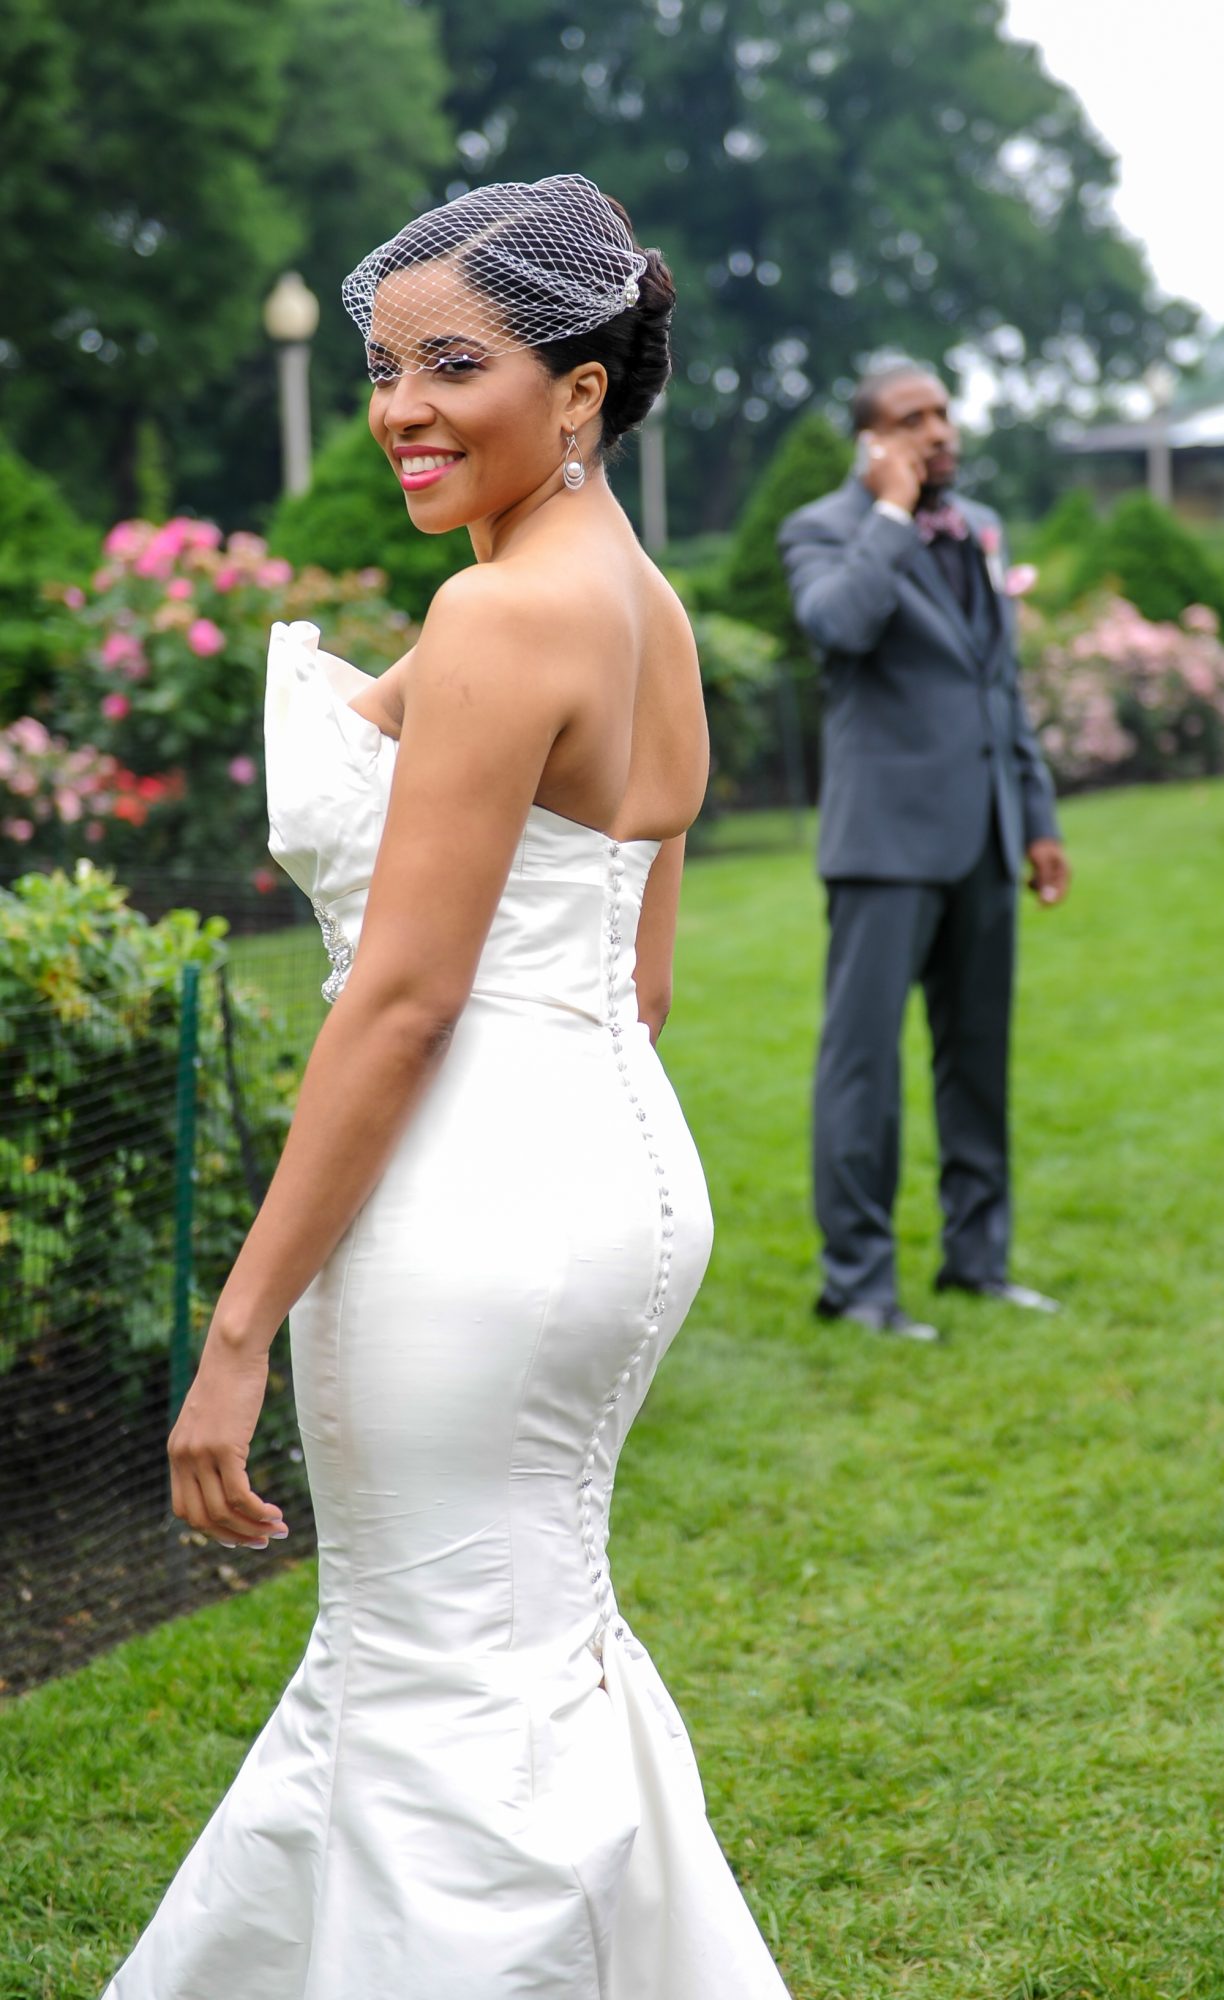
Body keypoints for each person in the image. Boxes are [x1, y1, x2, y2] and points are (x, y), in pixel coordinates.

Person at [101, 176, 789, 2000]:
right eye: (381, 368)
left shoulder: (496, 619)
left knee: (428, 1680)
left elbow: (402, 1005)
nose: (400, 408)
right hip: (618, 1177)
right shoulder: (636, 603)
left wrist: (238, 1326)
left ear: (580, 389)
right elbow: (639, 980)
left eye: (452, 366)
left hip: (470, 1201)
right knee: (520, 1646)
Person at [778, 357, 1069, 1344]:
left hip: (986, 834)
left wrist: (1036, 818)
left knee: (977, 1061)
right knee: (861, 1069)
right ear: (871, 440)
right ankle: (856, 1284)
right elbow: (837, 624)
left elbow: (1000, 684)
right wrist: (890, 513)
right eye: (911, 418)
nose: (938, 430)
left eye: (942, 412)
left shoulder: (980, 526)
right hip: (883, 845)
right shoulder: (822, 528)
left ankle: (976, 1261)